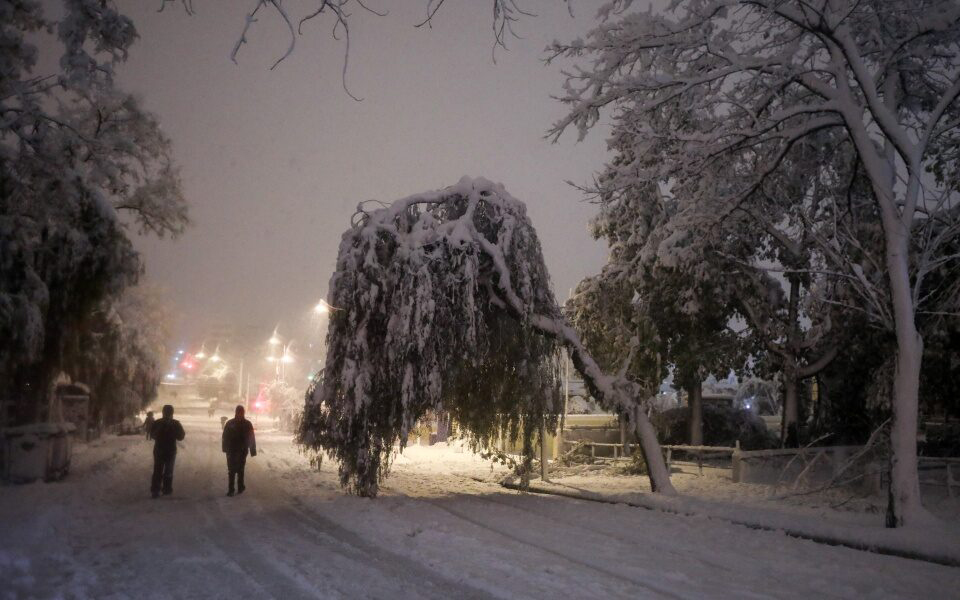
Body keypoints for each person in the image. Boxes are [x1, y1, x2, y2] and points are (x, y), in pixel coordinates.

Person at [150, 404, 185, 498]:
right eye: (167, 413)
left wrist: (172, 428)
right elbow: (153, 435)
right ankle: (162, 489)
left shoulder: (173, 423)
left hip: (164, 450)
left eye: (168, 413)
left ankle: (160, 489)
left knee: (162, 470)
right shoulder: (161, 423)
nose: (167, 415)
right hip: (166, 450)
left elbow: (181, 436)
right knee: (164, 470)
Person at [221, 405, 256, 497]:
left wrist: (225, 448)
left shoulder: (231, 423)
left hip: (237, 450)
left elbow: (225, 437)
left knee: (236, 469)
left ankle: (235, 488)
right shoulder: (246, 424)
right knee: (236, 469)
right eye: (239, 412)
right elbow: (225, 437)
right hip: (237, 450)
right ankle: (236, 488)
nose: (240, 414)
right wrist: (252, 450)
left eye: (241, 412)